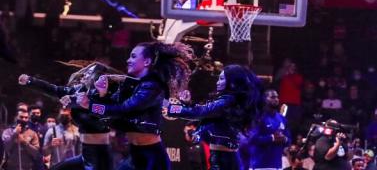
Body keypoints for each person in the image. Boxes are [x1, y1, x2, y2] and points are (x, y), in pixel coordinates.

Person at [75, 41, 193, 170]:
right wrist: (102, 94)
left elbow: (123, 110)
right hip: (135, 154)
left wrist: (90, 106)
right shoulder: (133, 85)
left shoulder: (152, 87)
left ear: (147, 62)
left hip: (151, 158)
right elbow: (113, 117)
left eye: (133, 56)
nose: (128, 60)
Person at [20, 62, 117, 170]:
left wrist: (90, 103)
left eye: (89, 72)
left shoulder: (105, 95)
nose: (84, 74)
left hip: (99, 155)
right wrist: (31, 81)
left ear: (97, 76)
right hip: (86, 153)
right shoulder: (78, 91)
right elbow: (55, 90)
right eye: (85, 71)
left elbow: (105, 118)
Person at [167, 65, 263, 170]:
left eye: (221, 79)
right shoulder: (228, 100)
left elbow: (200, 112)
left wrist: (171, 108)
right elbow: (205, 111)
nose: (217, 82)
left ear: (232, 83)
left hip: (224, 160)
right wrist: (187, 103)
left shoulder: (226, 101)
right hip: (223, 157)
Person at [245, 89, 289, 170]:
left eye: (277, 97)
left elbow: (289, 139)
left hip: (277, 166)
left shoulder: (282, 119)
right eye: (272, 97)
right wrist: (271, 138)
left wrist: (284, 139)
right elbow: (251, 139)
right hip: (259, 165)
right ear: (264, 99)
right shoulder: (257, 117)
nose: (276, 99)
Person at [2, 105, 42, 170]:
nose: (24, 119)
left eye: (26, 117)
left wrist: (24, 142)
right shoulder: (8, 131)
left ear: (28, 118)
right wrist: (14, 134)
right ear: (16, 117)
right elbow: (5, 148)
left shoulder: (33, 133)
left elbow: (36, 153)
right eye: (21, 117)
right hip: (11, 167)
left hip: (27, 167)